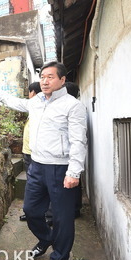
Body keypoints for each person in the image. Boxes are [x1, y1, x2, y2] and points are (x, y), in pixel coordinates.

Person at [0, 61, 87, 260]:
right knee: (31, 211)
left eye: (50, 77)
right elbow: (14, 102)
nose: (45, 81)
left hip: (61, 168)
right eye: (42, 77)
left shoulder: (72, 106)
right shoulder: (37, 102)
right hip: (37, 167)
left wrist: (74, 172)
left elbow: (79, 141)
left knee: (62, 219)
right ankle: (46, 239)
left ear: (62, 80)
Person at [45, 81, 83, 226]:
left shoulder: (70, 108)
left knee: (58, 190)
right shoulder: (77, 107)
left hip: (62, 157)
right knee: (72, 186)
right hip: (70, 158)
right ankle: (74, 210)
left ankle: (53, 217)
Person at [19, 81, 41, 222]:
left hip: (35, 154)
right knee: (32, 184)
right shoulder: (34, 108)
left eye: (29, 92)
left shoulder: (39, 107)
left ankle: (37, 213)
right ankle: (32, 212)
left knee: (36, 185)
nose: (29, 95)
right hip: (28, 152)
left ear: (33, 93)